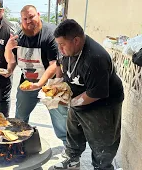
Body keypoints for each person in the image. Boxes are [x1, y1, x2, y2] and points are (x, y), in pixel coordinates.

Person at [52, 19, 124, 170]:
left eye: (62, 44)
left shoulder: (95, 58)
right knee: (73, 131)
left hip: (103, 103)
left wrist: (72, 102)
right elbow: (59, 63)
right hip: (78, 97)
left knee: (102, 143)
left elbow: (95, 93)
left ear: (76, 40)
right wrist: (57, 85)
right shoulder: (68, 49)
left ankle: (102, 167)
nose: (60, 48)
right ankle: (72, 160)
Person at [5, 5, 68, 146]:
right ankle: (17, 143)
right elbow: (11, 60)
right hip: (27, 82)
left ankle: (69, 149)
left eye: (31, 16)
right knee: (20, 117)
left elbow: (54, 64)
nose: (28, 21)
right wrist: (8, 48)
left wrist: (40, 85)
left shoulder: (50, 34)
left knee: (60, 118)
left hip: (50, 85)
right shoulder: (18, 35)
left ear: (38, 15)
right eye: (25, 18)